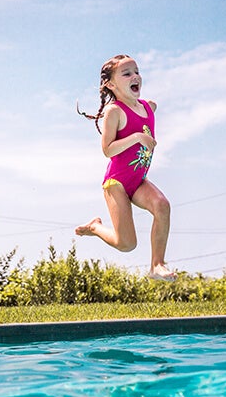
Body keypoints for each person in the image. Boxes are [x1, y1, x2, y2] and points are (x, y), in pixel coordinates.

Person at [75, 54, 176, 282]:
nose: (135, 77)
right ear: (111, 84)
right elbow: (108, 149)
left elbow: (149, 110)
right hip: (116, 183)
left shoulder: (149, 107)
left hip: (138, 180)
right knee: (127, 244)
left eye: (137, 72)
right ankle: (95, 227)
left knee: (162, 205)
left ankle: (157, 265)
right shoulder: (114, 112)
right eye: (127, 73)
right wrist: (137, 137)